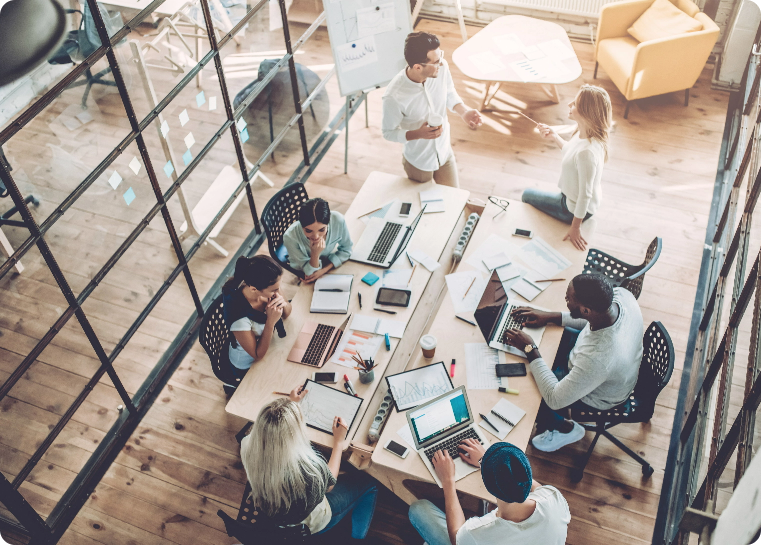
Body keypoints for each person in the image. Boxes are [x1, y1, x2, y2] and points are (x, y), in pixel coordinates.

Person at [504, 273, 643, 453]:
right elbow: (590, 321)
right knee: (546, 347)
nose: (565, 300)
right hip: (595, 359)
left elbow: (555, 399)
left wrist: (530, 348)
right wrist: (549, 316)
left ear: (585, 310)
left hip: (599, 395)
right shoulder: (621, 296)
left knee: (530, 393)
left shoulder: (600, 357)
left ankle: (566, 428)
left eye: (569, 299)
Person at [240, 386, 379, 539]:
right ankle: (358, 537)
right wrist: (339, 442)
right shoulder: (307, 471)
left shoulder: (246, 444)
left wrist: (289, 405)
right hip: (311, 523)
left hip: (274, 513)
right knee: (370, 483)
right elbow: (330, 484)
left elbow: (273, 431)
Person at [408, 442, 570, 545]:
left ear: (489, 486)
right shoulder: (553, 497)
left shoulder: (480, 532)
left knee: (418, 509)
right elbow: (526, 481)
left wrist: (448, 481)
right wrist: (486, 460)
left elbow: (456, 537)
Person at [382, 31, 483, 188]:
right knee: (424, 206)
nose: (441, 63)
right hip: (418, 161)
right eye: (435, 61)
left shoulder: (441, 68)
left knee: (454, 198)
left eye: (440, 56)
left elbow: (449, 92)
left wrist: (464, 111)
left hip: (444, 152)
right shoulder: (393, 96)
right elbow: (388, 132)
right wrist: (418, 134)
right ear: (417, 67)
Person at [521, 84, 612, 251]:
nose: (569, 104)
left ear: (586, 112)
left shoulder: (587, 154)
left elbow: (585, 196)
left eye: (575, 103)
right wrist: (554, 136)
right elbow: (571, 153)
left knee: (526, 195)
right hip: (575, 198)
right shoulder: (585, 133)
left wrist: (575, 227)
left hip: (571, 208)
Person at [221, 255, 292, 382]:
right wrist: (270, 322)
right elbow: (257, 354)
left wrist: (283, 303)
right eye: (275, 290)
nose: (278, 292)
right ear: (254, 289)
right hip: (248, 365)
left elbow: (287, 313)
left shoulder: (268, 287)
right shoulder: (239, 318)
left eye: (279, 288)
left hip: (270, 345)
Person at [283, 197, 353, 284]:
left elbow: (347, 249)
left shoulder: (338, 220)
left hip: (325, 263)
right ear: (301, 225)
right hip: (304, 267)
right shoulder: (290, 237)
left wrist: (323, 270)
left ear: (328, 222)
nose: (316, 237)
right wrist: (315, 254)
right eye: (308, 231)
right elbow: (310, 273)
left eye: (322, 230)